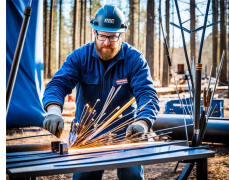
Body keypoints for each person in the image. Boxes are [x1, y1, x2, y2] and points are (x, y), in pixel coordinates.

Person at [42, 4, 160, 180]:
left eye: (113, 37)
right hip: (86, 135)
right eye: (102, 35)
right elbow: (58, 84)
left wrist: (142, 123)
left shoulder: (134, 59)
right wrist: (53, 110)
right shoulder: (80, 57)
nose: (106, 42)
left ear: (122, 34)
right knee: (85, 177)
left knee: (132, 175)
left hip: (126, 134)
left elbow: (147, 95)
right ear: (94, 32)